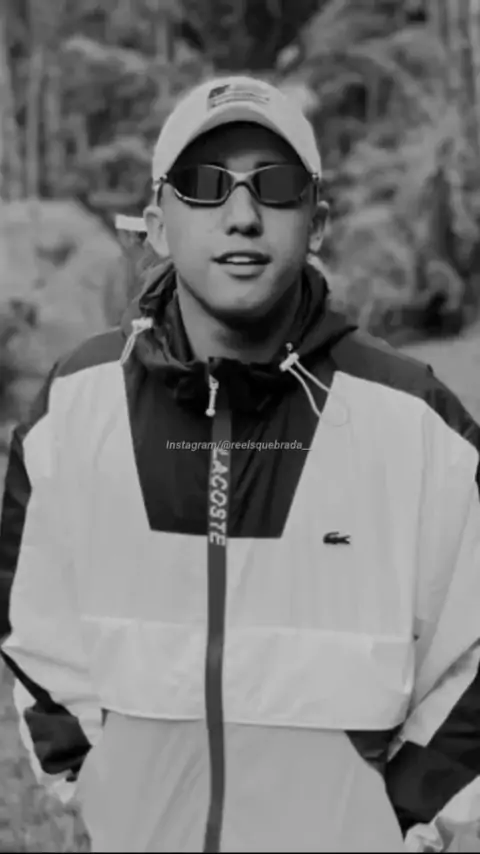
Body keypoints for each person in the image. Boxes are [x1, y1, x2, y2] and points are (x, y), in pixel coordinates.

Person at [0, 73, 480, 854]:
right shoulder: (74, 410)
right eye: (205, 184)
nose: (243, 214)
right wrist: (102, 786)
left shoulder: (415, 422)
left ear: (316, 223)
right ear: (157, 225)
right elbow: (33, 630)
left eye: (275, 185)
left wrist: (391, 816)